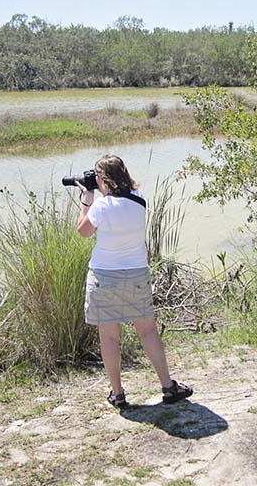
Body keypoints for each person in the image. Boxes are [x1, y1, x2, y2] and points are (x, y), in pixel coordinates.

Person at [75, 154, 193, 408]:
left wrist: (87, 200)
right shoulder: (139, 200)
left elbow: (83, 232)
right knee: (148, 331)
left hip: (105, 276)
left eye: (97, 178)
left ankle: (118, 394)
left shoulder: (101, 207)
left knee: (109, 337)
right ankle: (167, 386)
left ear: (104, 179)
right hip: (137, 273)